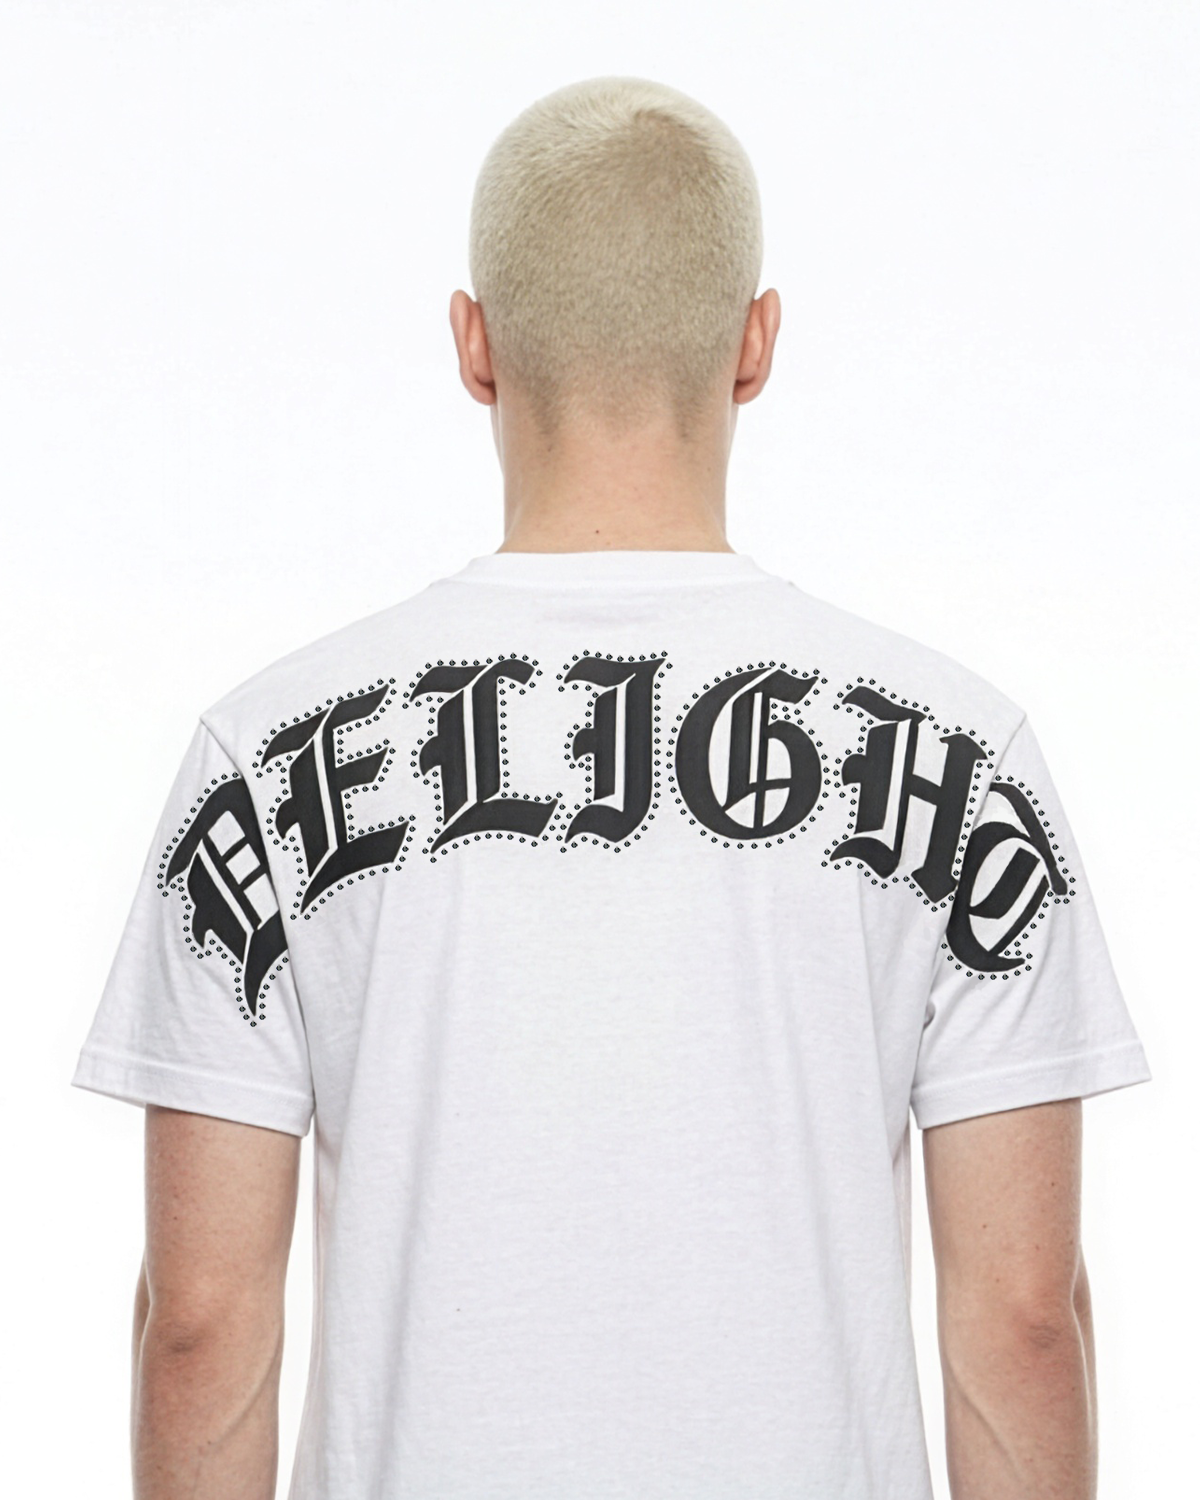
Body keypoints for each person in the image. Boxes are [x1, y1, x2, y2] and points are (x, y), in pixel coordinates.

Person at [72, 75, 1151, 1500]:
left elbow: (202, 1329)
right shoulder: (963, 754)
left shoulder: (266, 755)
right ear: (756, 343)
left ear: (474, 345)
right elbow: (1021, 1325)